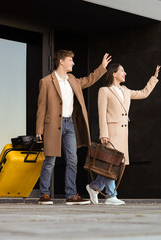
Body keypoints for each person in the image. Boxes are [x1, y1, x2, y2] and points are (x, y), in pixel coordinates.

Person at [36, 49, 112, 205]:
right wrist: (39, 130)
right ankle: (44, 194)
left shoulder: (72, 80)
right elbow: (41, 108)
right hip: (52, 126)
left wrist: (102, 67)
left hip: (69, 124)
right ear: (61, 61)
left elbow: (89, 80)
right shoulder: (46, 81)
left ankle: (71, 195)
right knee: (50, 160)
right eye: (70, 60)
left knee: (73, 160)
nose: (73, 63)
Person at [86, 63, 160, 205]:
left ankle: (94, 188)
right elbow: (101, 114)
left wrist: (154, 77)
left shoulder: (125, 90)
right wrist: (103, 133)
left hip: (123, 133)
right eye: (122, 70)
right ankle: (111, 196)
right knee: (111, 164)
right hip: (111, 133)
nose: (125, 73)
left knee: (117, 165)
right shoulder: (104, 91)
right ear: (113, 73)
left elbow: (144, 93)